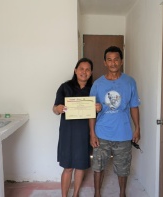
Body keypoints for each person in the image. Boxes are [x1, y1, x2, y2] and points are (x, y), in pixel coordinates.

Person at [89, 46, 141, 197]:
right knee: (98, 166)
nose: (113, 63)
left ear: (121, 61)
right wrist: (92, 133)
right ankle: (97, 194)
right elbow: (90, 111)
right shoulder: (97, 84)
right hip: (101, 133)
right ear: (105, 62)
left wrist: (137, 128)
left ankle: (122, 194)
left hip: (123, 133)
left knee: (123, 168)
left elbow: (134, 106)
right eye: (109, 60)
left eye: (116, 59)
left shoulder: (130, 82)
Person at [53, 58, 101, 197]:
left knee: (80, 165)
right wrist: (58, 108)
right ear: (75, 70)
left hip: (84, 133)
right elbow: (54, 108)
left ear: (91, 72)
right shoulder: (65, 87)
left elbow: (99, 109)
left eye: (87, 69)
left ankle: (76, 194)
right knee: (67, 167)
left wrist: (99, 107)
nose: (84, 72)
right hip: (67, 133)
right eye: (81, 68)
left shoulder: (94, 89)